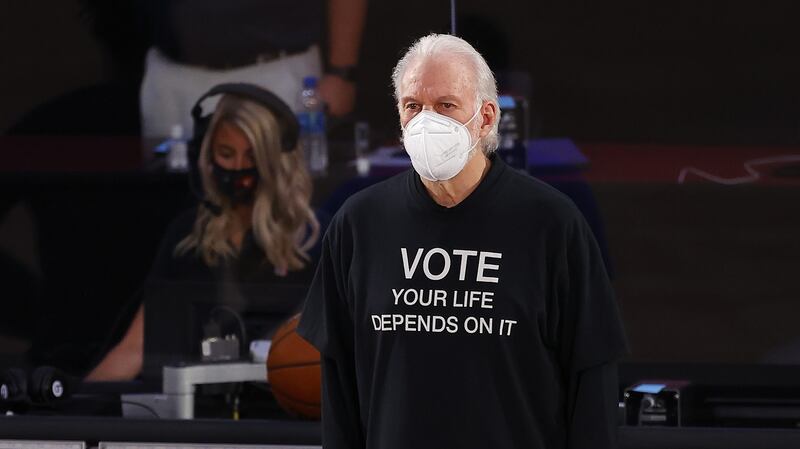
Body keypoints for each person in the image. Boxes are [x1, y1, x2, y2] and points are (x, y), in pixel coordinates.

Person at [297, 34, 628, 449]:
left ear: (486, 117)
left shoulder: (551, 224)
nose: (425, 121)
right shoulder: (359, 223)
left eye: (446, 106)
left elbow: (592, 381)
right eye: (413, 106)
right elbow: (340, 386)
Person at [86, 88, 320, 381]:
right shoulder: (188, 235)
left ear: (275, 159)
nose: (238, 168)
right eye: (226, 154)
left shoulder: (312, 241)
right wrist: (67, 419)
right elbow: (134, 349)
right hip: (199, 414)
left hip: (280, 412)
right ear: (207, 154)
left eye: (251, 155)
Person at [138, 0, 367, 139]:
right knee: (168, 206)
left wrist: (342, 71)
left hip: (274, 73)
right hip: (171, 76)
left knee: (281, 208)